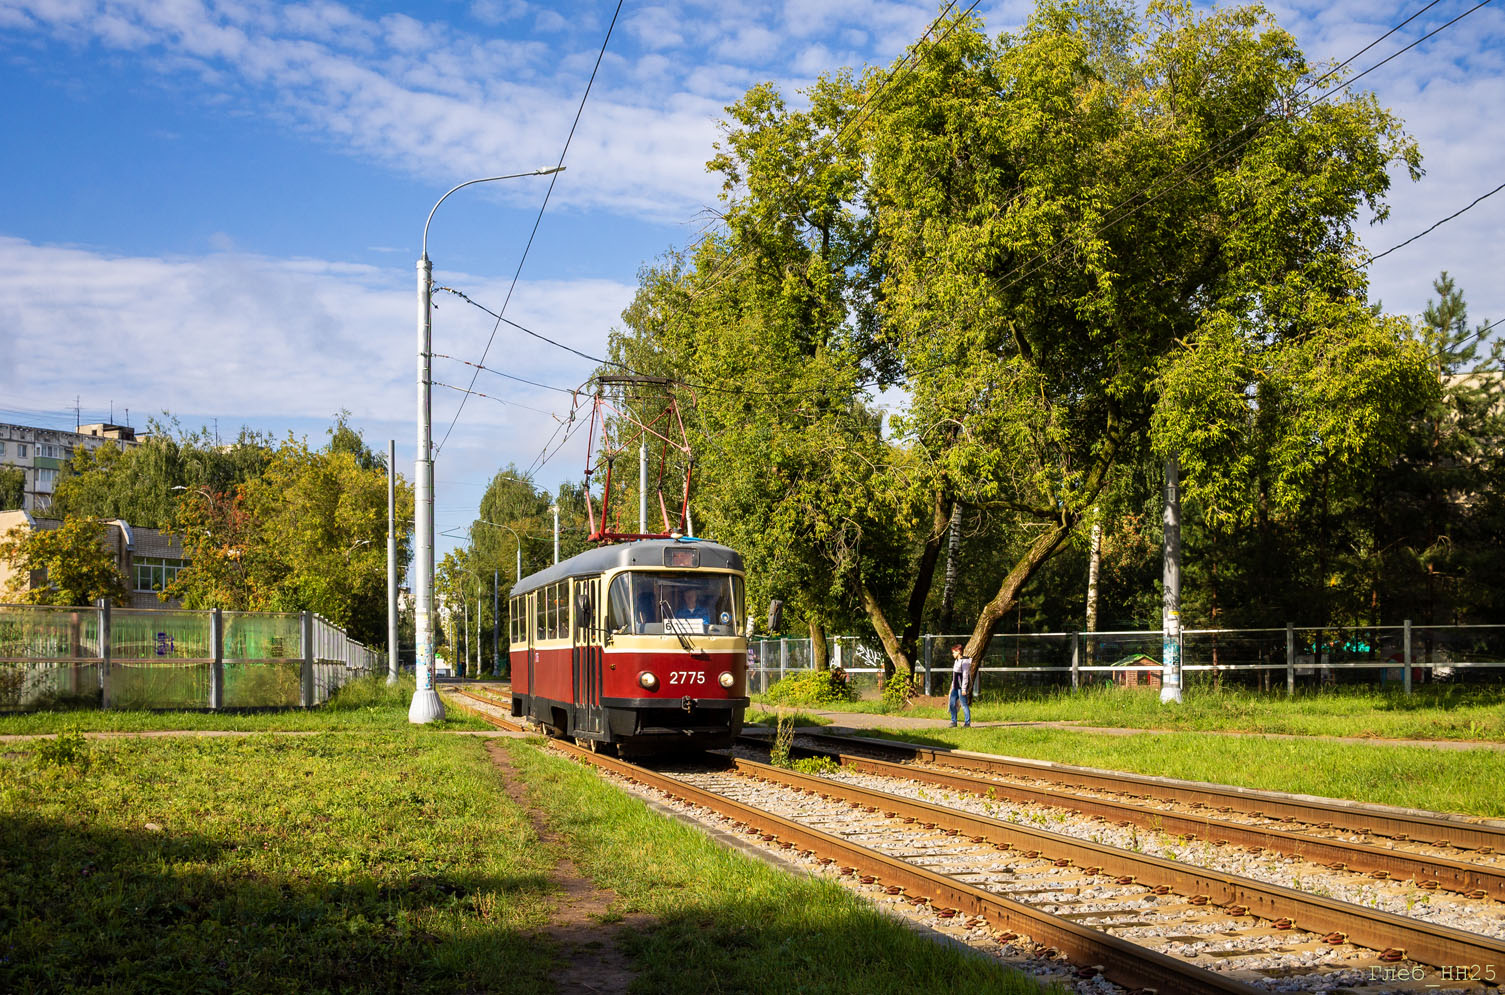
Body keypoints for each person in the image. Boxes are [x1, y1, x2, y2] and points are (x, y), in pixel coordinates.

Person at [948, 644, 971, 728]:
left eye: (954, 652)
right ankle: (954, 721)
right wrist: (953, 685)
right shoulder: (956, 661)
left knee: (964, 704)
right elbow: (955, 676)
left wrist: (964, 689)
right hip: (955, 686)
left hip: (961, 687)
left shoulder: (964, 661)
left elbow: (965, 676)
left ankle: (967, 723)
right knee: (952, 703)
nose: (953, 654)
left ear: (959, 652)